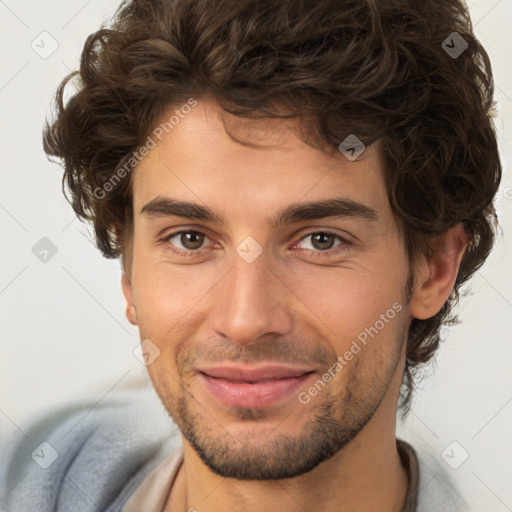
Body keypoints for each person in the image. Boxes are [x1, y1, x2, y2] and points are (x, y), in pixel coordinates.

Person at [0, 0, 502, 511]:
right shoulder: (35, 467)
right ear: (128, 271)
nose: (245, 321)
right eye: (190, 239)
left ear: (434, 269)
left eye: (320, 240)